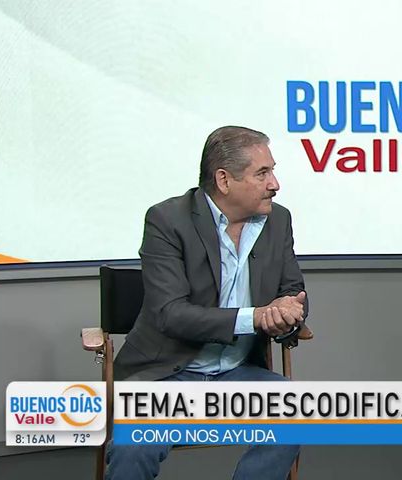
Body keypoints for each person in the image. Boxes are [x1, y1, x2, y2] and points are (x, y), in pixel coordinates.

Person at [107, 126, 307, 480]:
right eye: (262, 173)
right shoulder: (168, 220)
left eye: (272, 171)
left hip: (237, 373)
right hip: (167, 375)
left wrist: (286, 314)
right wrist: (256, 317)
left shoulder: (279, 220)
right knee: (133, 444)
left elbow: (292, 291)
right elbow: (171, 315)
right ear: (224, 180)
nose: (275, 184)